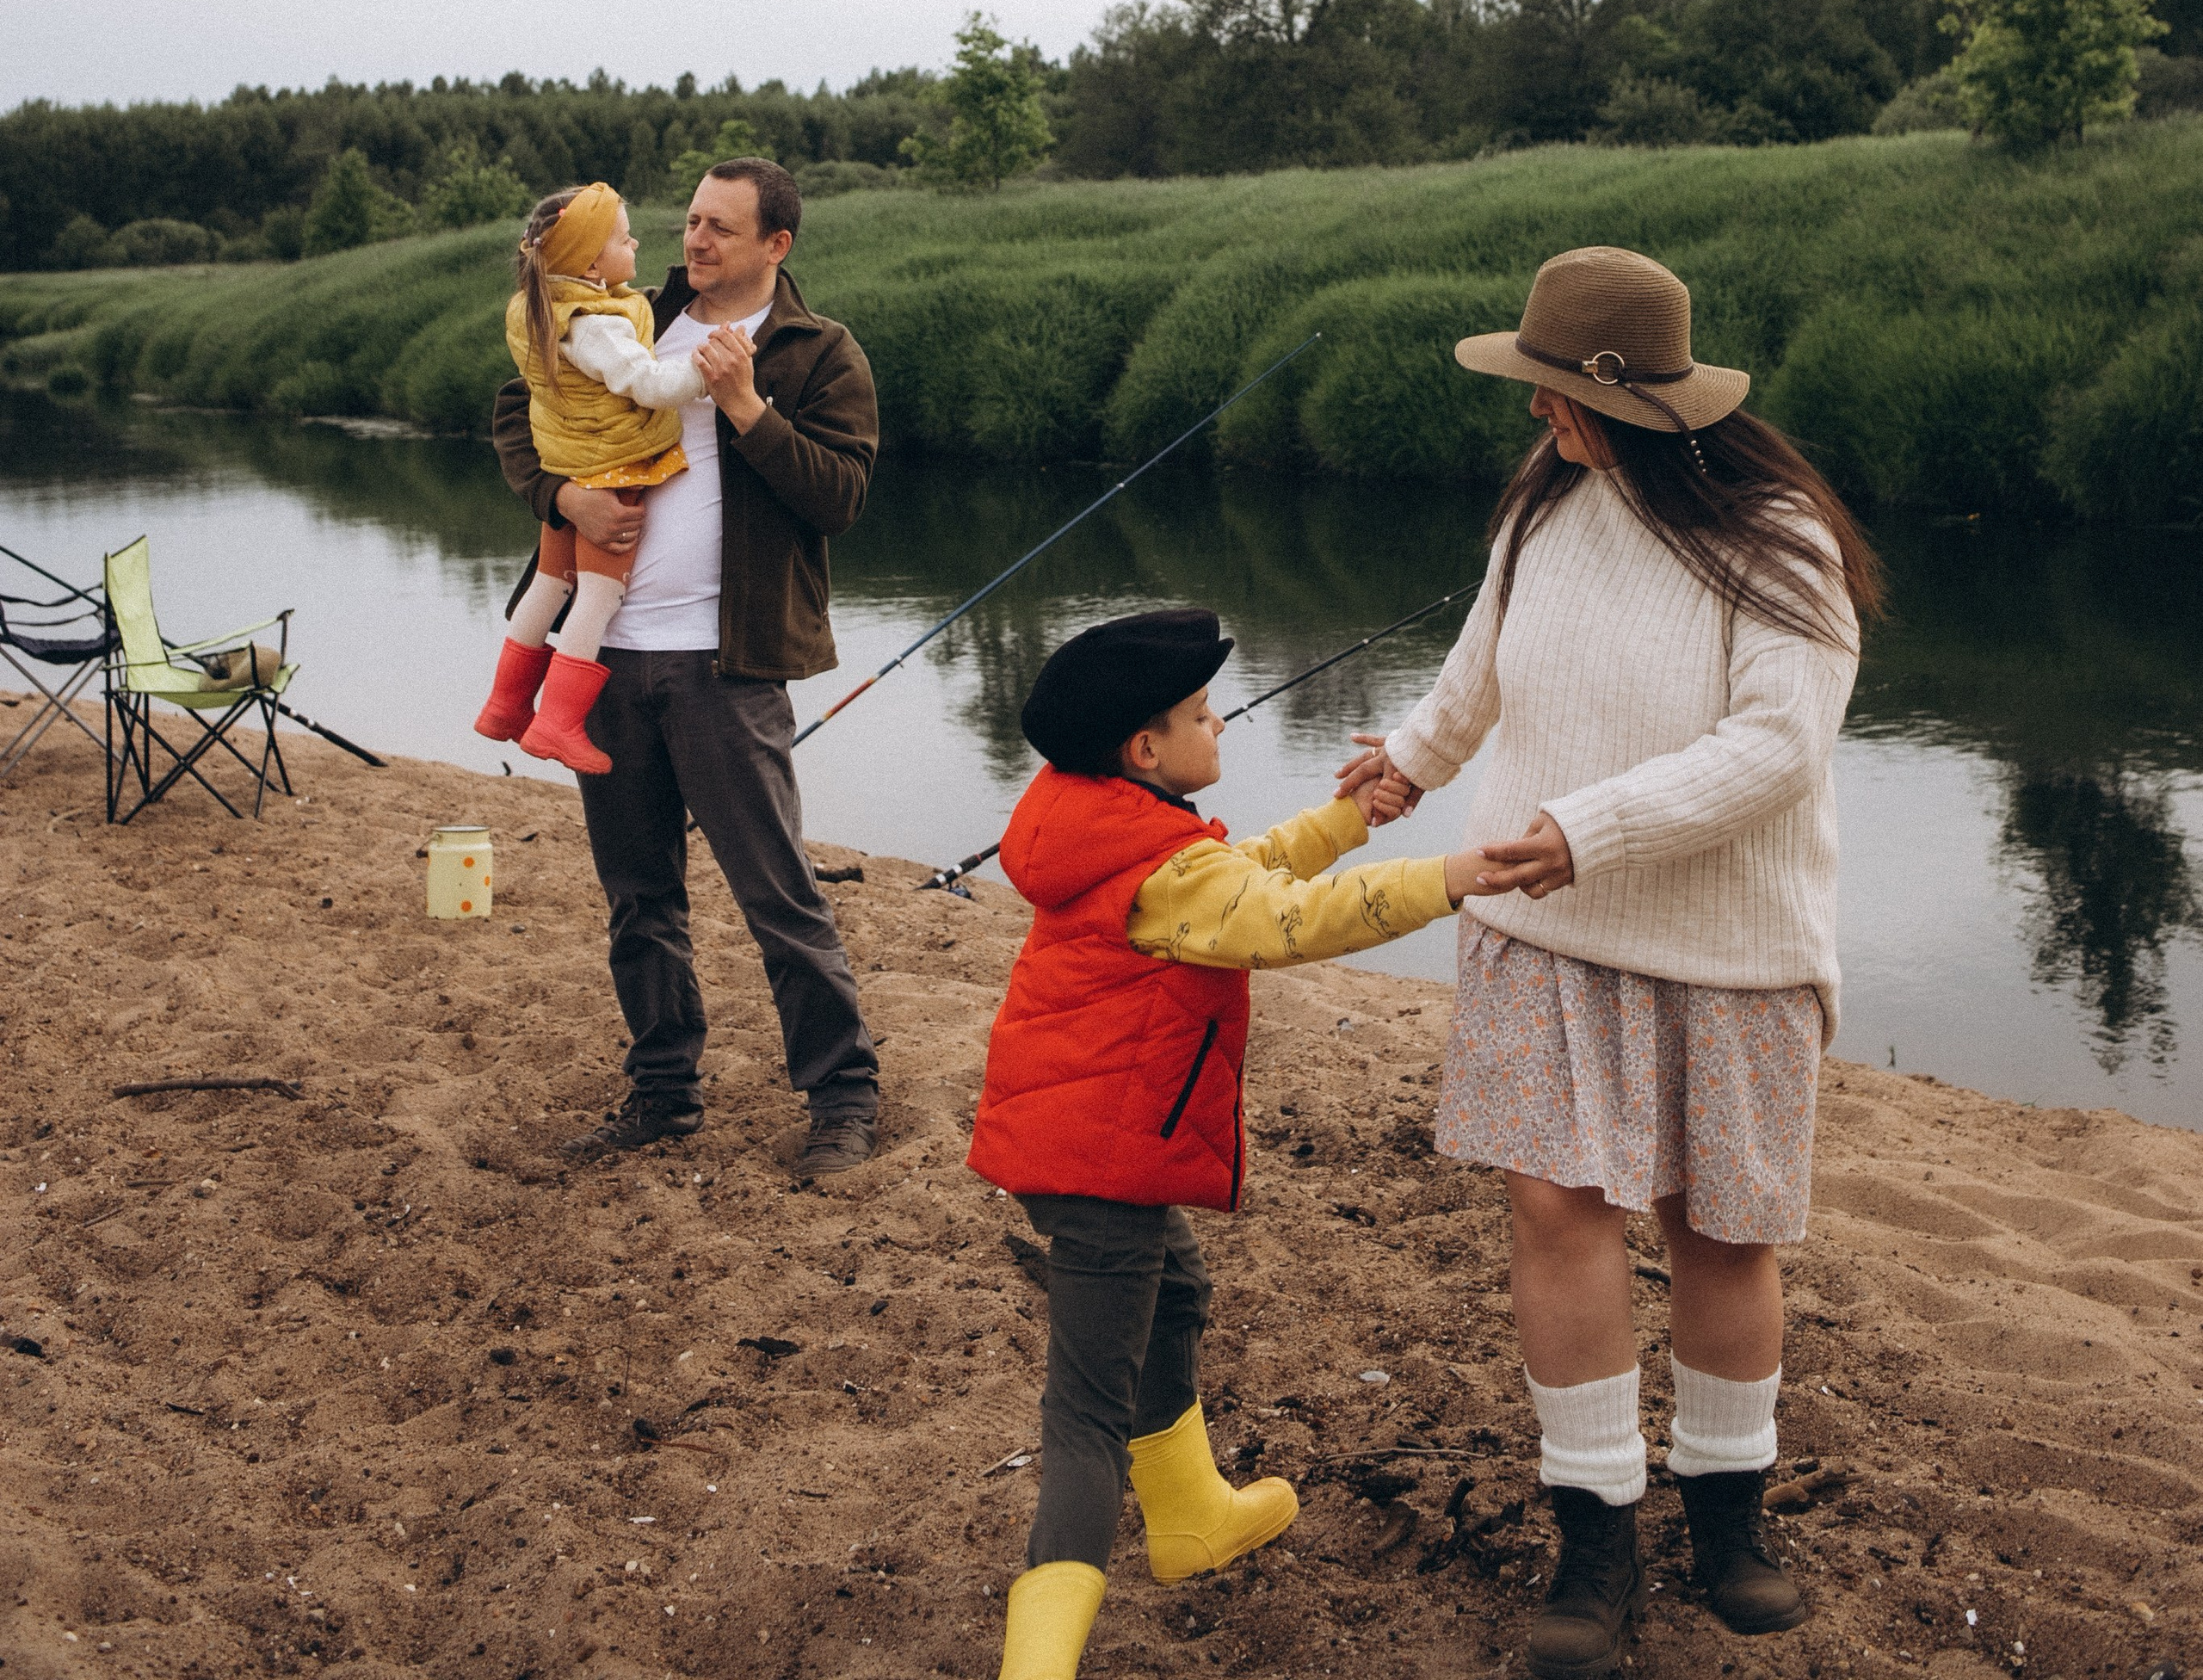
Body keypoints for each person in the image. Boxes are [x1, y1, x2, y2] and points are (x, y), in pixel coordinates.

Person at [1337, 244, 1880, 1676]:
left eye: (1552, 393)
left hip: (1728, 944)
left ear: (1625, 395)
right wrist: (1405, 762)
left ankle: (1727, 1515)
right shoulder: (1546, 512)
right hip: (1538, 921)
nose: (1535, 417)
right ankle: (1593, 1530)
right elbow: (1482, 673)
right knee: (1554, 1210)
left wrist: (1592, 829)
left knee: (1722, 1230)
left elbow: (1777, 746)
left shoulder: (1780, 543)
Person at [966, 605, 1489, 1680]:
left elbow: (1249, 871)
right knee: (1082, 1418)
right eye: (1205, 715)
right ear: (1145, 751)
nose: (1223, 727)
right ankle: (1036, 1664)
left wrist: (1349, 820)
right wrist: (1452, 875)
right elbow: (1293, 921)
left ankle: (1193, 1515)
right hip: (1100, 1158)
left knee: (1178, 1294)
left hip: (1083, 1140)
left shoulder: (1098, 820)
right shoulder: (1161, 873)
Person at [491, 157, 884, 1178]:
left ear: (775, 245)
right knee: (638, 895)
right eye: (690, 222)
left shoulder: (817, 352)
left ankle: (842, 1098)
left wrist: (750, 412)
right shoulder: (620, 316)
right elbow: (514, 408)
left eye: (721, 228)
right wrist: (559, 499)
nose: (695, 242)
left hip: (728, 664)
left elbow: (838, 496)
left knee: (776, 893)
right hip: (604, 661)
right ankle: (664, 1093)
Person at [475, 182, 727, 774]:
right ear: (590, 261)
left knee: (549, 583)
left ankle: (505, 706)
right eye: (622, 236)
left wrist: (559, 491)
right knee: (599, 594)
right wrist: (705, 370)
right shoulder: (598, 325)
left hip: (570, 464)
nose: (635, 239)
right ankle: (559, 722)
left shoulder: (543, 306)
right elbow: (650, 385)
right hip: (612, 469)